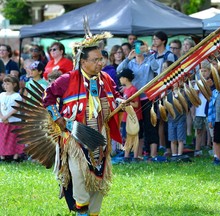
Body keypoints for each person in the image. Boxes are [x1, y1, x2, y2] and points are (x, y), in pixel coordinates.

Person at [43, 32, 123, 215]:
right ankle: (81, 211)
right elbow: (47, 98)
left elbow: (116, 96)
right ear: (82, 61)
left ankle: (93, 212)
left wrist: (121, 103)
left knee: (98, 178)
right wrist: (58, 118)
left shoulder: (106, 79)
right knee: (79, 176)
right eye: (95, 60)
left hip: (101, 135)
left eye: (101, 59)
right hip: (75, 137)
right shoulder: (67, 79)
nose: (100, 63)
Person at [117, 39, 159, 158]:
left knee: (150, 125)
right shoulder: (130, 63)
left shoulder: (149, 59)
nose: (139, 49)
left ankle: (153, 154)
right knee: (137, 127)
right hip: (134, 99)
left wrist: (149, 54)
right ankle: (138, 154)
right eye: (136, 47)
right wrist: (128, 58)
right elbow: (119, 70)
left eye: (141, 47)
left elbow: (156, 68)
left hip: (148, 98)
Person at [118, 68, 142, 162]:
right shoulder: (126, 90)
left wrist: (126, 102)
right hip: (126, 117)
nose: (120, 79)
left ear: (126, 78)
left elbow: (136, 104)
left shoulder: (133, 89)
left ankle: (135, 156)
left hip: (133, 118)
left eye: (121, 77)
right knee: (127, 137)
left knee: (134, 137)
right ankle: (126, 156)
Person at [0, 75, 24, 162]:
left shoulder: (17, 96)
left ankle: (15, 156)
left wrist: (7, 116)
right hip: (2, 121)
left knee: (14, 138)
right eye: (4, 84)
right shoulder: (1, 95)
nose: (5, 86)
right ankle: (3, 156)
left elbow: (15, 108)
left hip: (14, 121)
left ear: (14, 85)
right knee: (3, 138)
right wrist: (2, 116)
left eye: (8, 84)